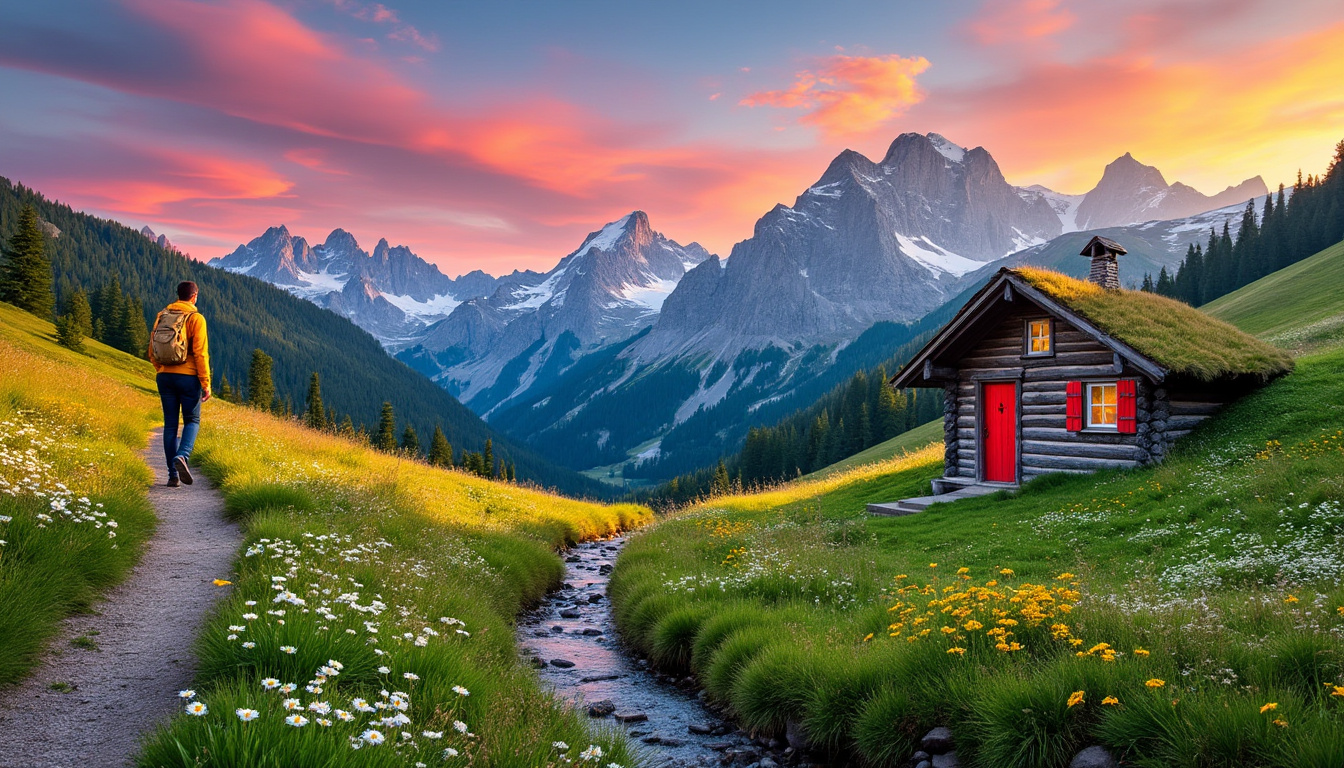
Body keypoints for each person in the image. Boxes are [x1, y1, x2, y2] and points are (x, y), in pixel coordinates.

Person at [148, 281, 211, 487]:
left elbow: (152, 349)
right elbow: (201, 353)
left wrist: (162, 369)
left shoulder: (162, 316)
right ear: (194, 297)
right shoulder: (196, 318)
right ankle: (183, 456)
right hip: (188, 378)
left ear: (178, 295)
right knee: (192, 420)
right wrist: (205, 383)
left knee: (170, 426)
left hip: (165, 377)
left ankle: (172, 476)